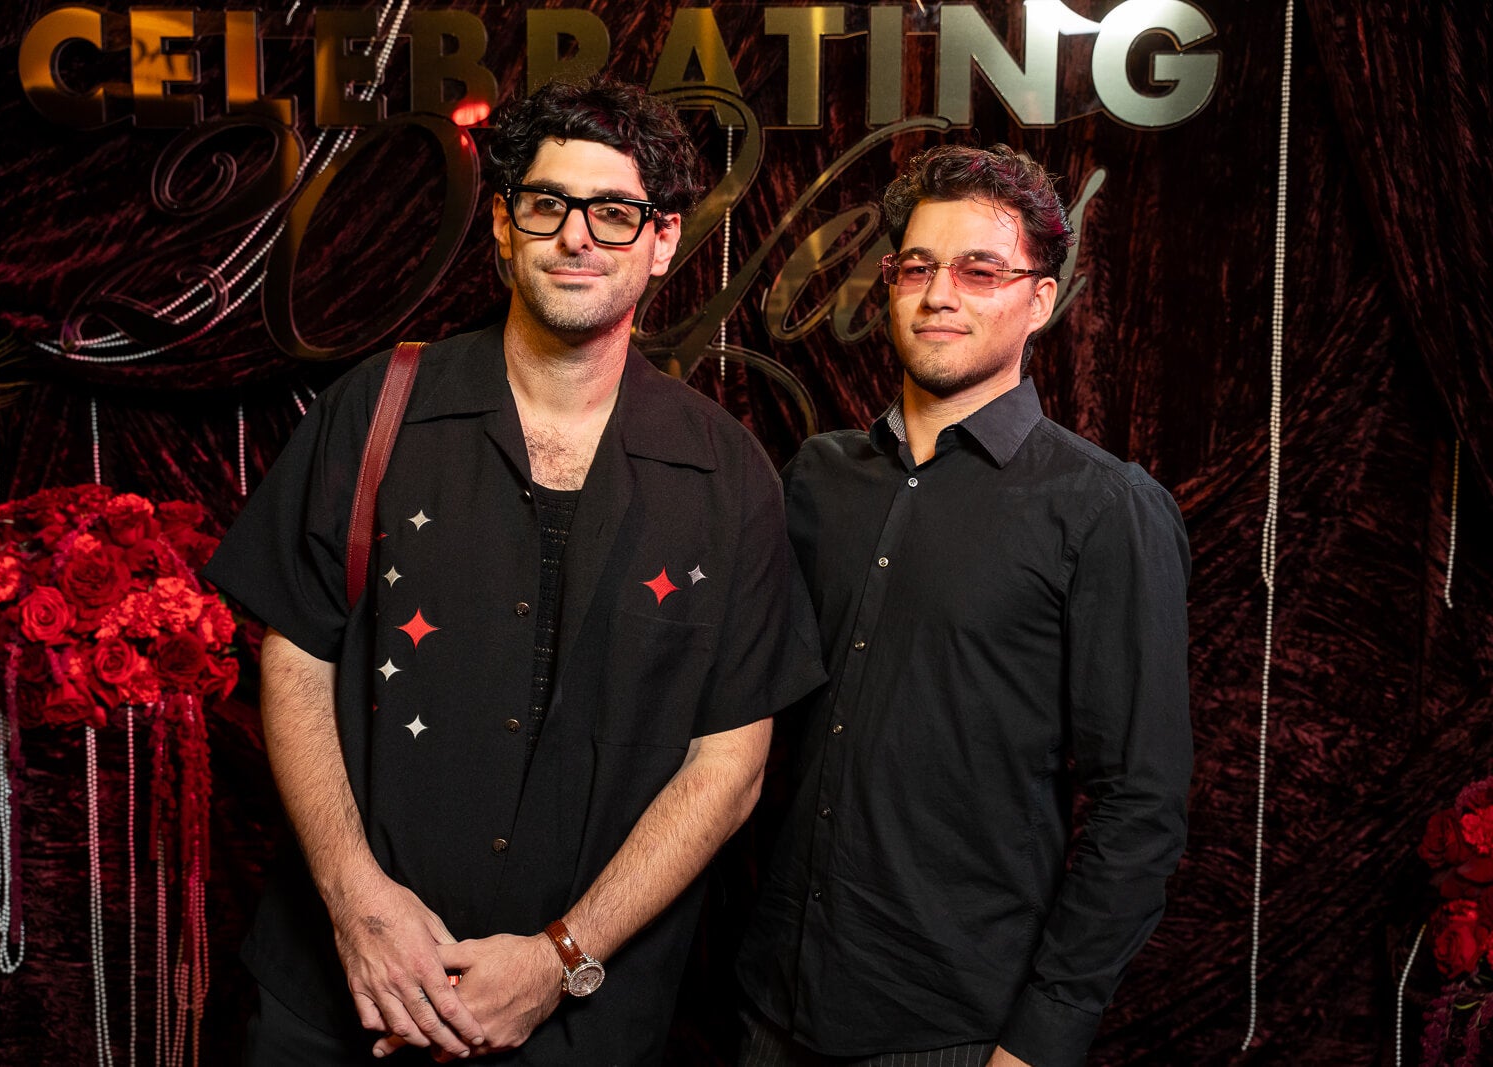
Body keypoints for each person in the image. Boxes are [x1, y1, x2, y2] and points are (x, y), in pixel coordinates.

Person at [204, 77, 823, 1065]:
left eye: (614, 212)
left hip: (581, 1027)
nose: (577, 236)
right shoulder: (376, 409)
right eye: (547, 204)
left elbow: (729, 765)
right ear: (503, 224)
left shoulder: (729, 475)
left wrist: (558, 959)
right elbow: (295, 657)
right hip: (338, 1003)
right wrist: (356, 900)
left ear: (664, 240)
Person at [736, 144, 1193, 1067]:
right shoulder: (817, 479)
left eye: (980, 271)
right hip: (771, 1008)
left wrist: (1041, 1039)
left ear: (1041, 300)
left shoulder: (1104, 509)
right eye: (917, 267)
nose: (939, 294)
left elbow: (1140, 804)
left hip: (954, 1033)